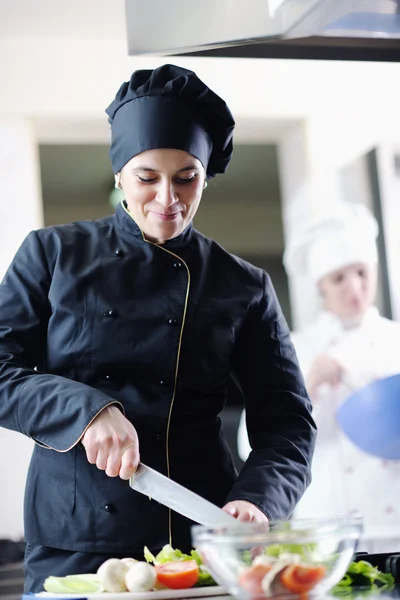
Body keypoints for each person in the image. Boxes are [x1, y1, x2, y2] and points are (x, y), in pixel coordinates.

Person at [0, 64, 316, 593]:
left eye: (186, 177)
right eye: (147, 177)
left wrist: (259, 499)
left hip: (199, 534)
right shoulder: (52, 255)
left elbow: (287, 422)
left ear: (206, 174)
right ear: (120, 173)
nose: (167, 198)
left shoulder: (244, 285)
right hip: (76, 542)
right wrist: (86, 410)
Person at [238, 201, 400, 552]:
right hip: (326, 531)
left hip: (395, 518)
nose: (353, 287)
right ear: (321, 286)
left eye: (361, 272)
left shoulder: (395, 340)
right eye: (339, 278)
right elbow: (249, 445)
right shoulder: (293, 347)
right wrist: (309, 382)